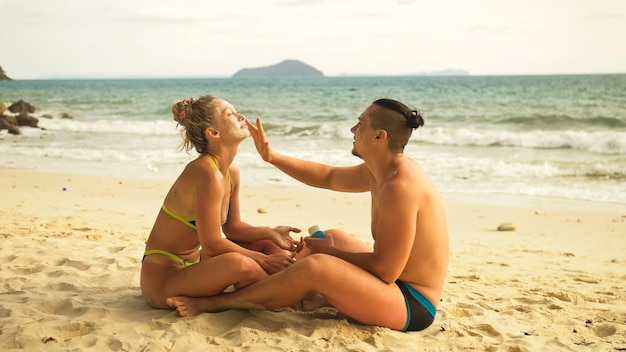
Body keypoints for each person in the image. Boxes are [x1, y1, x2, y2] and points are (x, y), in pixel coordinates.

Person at [166, 98, 450, 332]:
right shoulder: (383, 170)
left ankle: (217, 302)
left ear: (379, 136)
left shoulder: (400, 187)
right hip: (394, 288)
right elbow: (327, 176)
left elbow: (387, 271)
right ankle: (305, 292)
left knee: (318, 266)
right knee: (332, 237)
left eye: (360, 124)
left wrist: (332, 254)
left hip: (412, 303)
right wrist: (272, 156)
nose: (353, 129)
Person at [141, 94, 302, 309]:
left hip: (193, 265)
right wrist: (263, 260)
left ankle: (290, 290)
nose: (240, 116)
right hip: (163, 279)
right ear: (214, 133)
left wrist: (269, 232)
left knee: (268, 245)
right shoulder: (205, 173)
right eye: (230, 114)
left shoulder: (230, 173)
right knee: (241, 263)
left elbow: (233, 228)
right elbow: (213, 244)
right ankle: (293, 293)